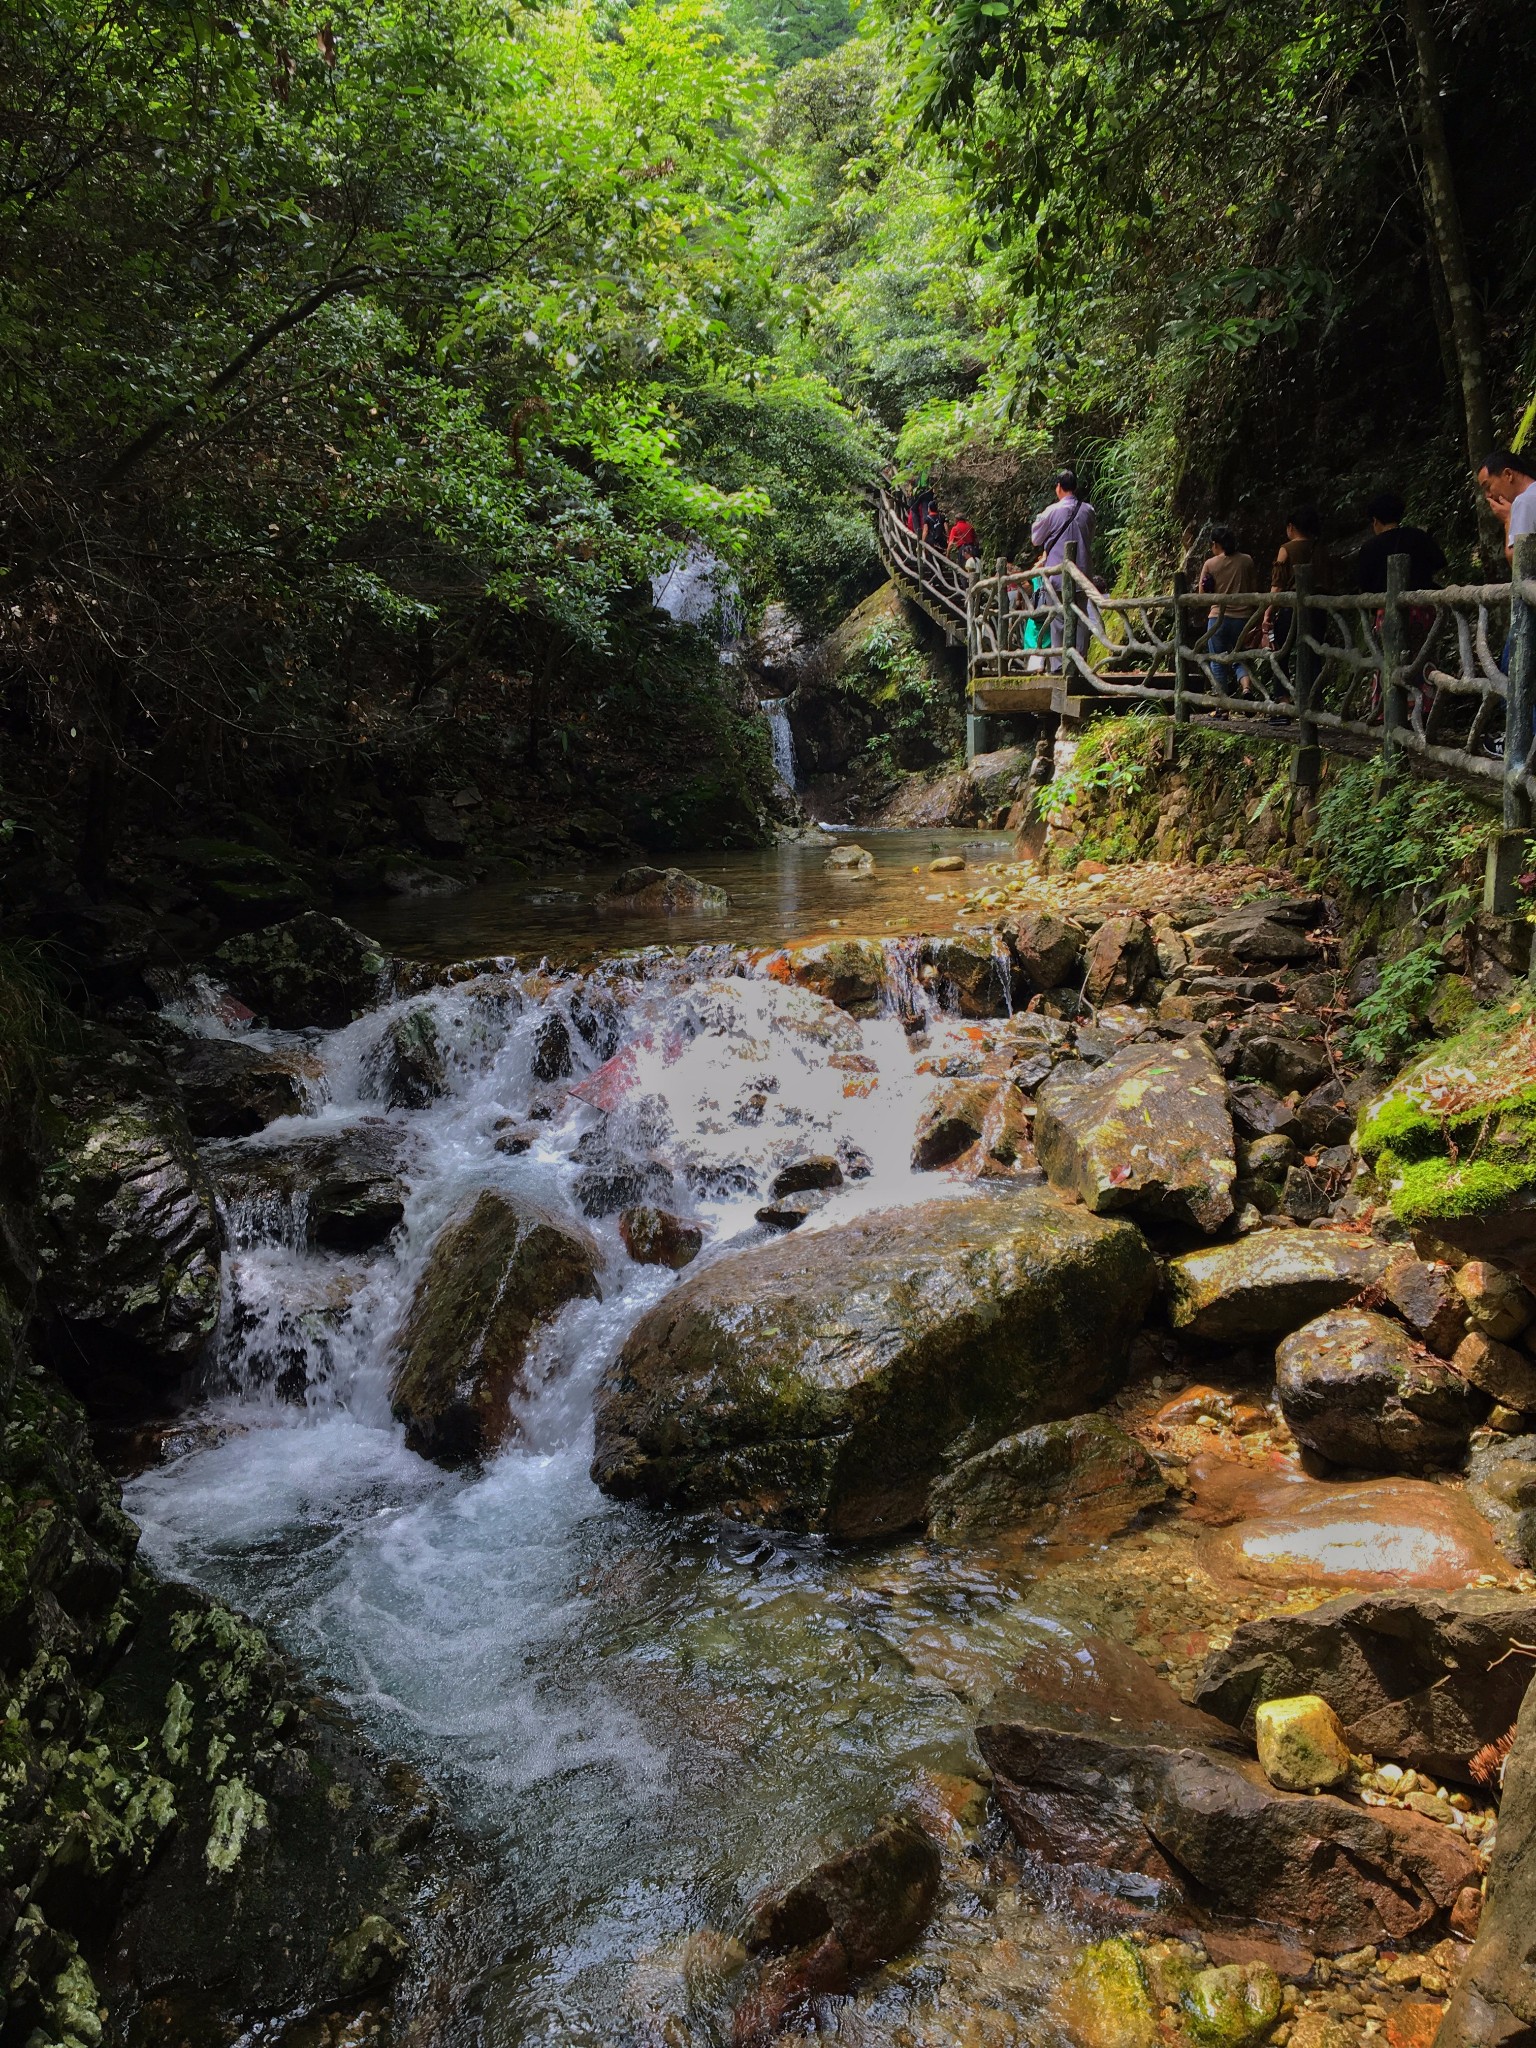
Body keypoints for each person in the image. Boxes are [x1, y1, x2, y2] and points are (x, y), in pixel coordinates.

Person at [1031, 468, 1096, 668]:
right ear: (1075, 488)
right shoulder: (1088, 510)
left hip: (1057, 577)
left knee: (1059, 620)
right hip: (1082, 574)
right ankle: (1080, 664)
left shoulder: (1051, 511)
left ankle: (1061, 666)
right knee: (1081, 617)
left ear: (1058, 488)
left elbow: (1036, 539)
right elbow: (1090, 537)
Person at [1199, 525, 1258, 695]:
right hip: (1243, 619)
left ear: (1216, 544)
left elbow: (1202, 594)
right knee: (1240, 658)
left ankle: (1222, 707)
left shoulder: (1210, 564)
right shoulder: (1247, 560)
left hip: (1218, 618)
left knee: (1217, 661)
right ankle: (1246, 688)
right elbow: (1254, 589)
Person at [1355, 490, 1446, 593]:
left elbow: (1364, 584)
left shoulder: (1369, 547)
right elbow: (1440, 562)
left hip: (1383, 605)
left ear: (1375, 521)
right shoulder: (1419, 536)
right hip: (1422, 603)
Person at [1478, 450, 1536, 560]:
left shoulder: (1523, 502)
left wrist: (1508, 520)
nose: (1488, 496)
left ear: (1508, 474)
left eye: (1488, 487)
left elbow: (1518, 561)